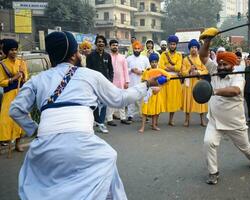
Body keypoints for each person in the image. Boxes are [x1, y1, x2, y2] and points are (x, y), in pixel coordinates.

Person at [9, 31, 164, 200]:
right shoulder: (90, 75)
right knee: (107, 160)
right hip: (82, 145)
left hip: (44, 148)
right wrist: (147, 84)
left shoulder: (38, 80)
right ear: (75, 54)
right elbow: (121, 98)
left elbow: (15, 109)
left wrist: (35, 130)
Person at [199, 29, 250, 185]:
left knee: (246, 148)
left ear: (232, 66)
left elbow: (234, 91)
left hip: (235, 123)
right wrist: (207, 41)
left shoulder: (238, 78)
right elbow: (203, 56)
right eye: (219, 63)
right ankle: (213, 173)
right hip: (215, 121)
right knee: (209, 143)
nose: (220, 66)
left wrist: (214, 91)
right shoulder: (214, 70)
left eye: (224, 64)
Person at [0, 39, 28, 152]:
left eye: (16, 49)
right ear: (7, 51)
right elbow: (1, 81)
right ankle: (3, 142)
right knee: (5, 120)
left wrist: (23, 75)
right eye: (11, 50)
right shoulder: (2, 64)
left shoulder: (22, 63)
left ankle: (18, 144)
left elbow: (26, 78)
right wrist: (13, 79)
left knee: (21, 119)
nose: (14, 52)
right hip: (8, 95)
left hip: (20, 93)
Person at [86, 35, 114, 133]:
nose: (100, 43)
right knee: (93, 103)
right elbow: (88, 70)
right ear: (96, 44)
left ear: (105, 44)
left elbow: (111, 69)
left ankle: (101, 123)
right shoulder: (90, 56)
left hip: (104, 83)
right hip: (94, 84)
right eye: (99, 42)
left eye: (102, 42)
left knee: (104, 103)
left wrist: (110, 80)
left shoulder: (107, 56)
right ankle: (94, 121)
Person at [181, 39, 208, 127]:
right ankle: (186, 120)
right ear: (189, 49)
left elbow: (206, 70)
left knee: (201, 101)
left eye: (195, 47)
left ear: (198, 49)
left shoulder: (201, 59)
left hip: (198, 82)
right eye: (192, 47)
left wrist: (198, 72)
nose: (194, 49)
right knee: (188, 100)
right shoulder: (185, 59)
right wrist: (189, 70)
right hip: (188, 83)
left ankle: (202, 120)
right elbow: (183, 72)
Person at [139, 53, 166, 133]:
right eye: (152, 62)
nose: (154, 63)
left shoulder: (160, 72)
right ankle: (142, 127)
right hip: (148, 93)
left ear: (157, 62)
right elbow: (143, 81)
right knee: (145, 110)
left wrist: (159, 88)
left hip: (157, 92)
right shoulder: (147, 71)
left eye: (155, 62)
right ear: (150, 62)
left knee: (155, 109)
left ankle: (154, 125)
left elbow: (164, 81)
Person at [158, 35, 183, 126]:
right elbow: (161, 67)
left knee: (173, 100)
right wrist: (172, 68)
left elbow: (178, 67)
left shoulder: (179, 55)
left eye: (174, 44)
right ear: (168, 45)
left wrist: (168, 67)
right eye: (171, 44)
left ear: (176, 45)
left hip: (175, 80)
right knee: (161, 99)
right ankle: (156, 120)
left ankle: (171, 120)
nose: (172, 46)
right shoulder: (163, 55)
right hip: (165, 79)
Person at [106, 39, 131, 126]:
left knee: (122, 100)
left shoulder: (122, 57)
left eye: (116, 45)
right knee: (110, 100)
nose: (115, 47)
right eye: (113, 45)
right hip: (111, 82)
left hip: (121, 82)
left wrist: (127, 81)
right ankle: (109, 119)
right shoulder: (107, 56)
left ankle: (123, 118)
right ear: (110, 46)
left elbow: (125, 70)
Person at [126, 40, 150, 122]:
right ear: (133, 49)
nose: (136, 50)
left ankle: (143, 115)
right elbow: (125, 70)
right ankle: (130, 115)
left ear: (141, 49)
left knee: (142, 100)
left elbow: (149, 69)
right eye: (135, 48)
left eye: (138, 48)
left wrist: (142, 72)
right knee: (131, 99)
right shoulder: (128, 59)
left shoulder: (145, 58)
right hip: (131, 82)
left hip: (142, 82)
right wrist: (131, 70)